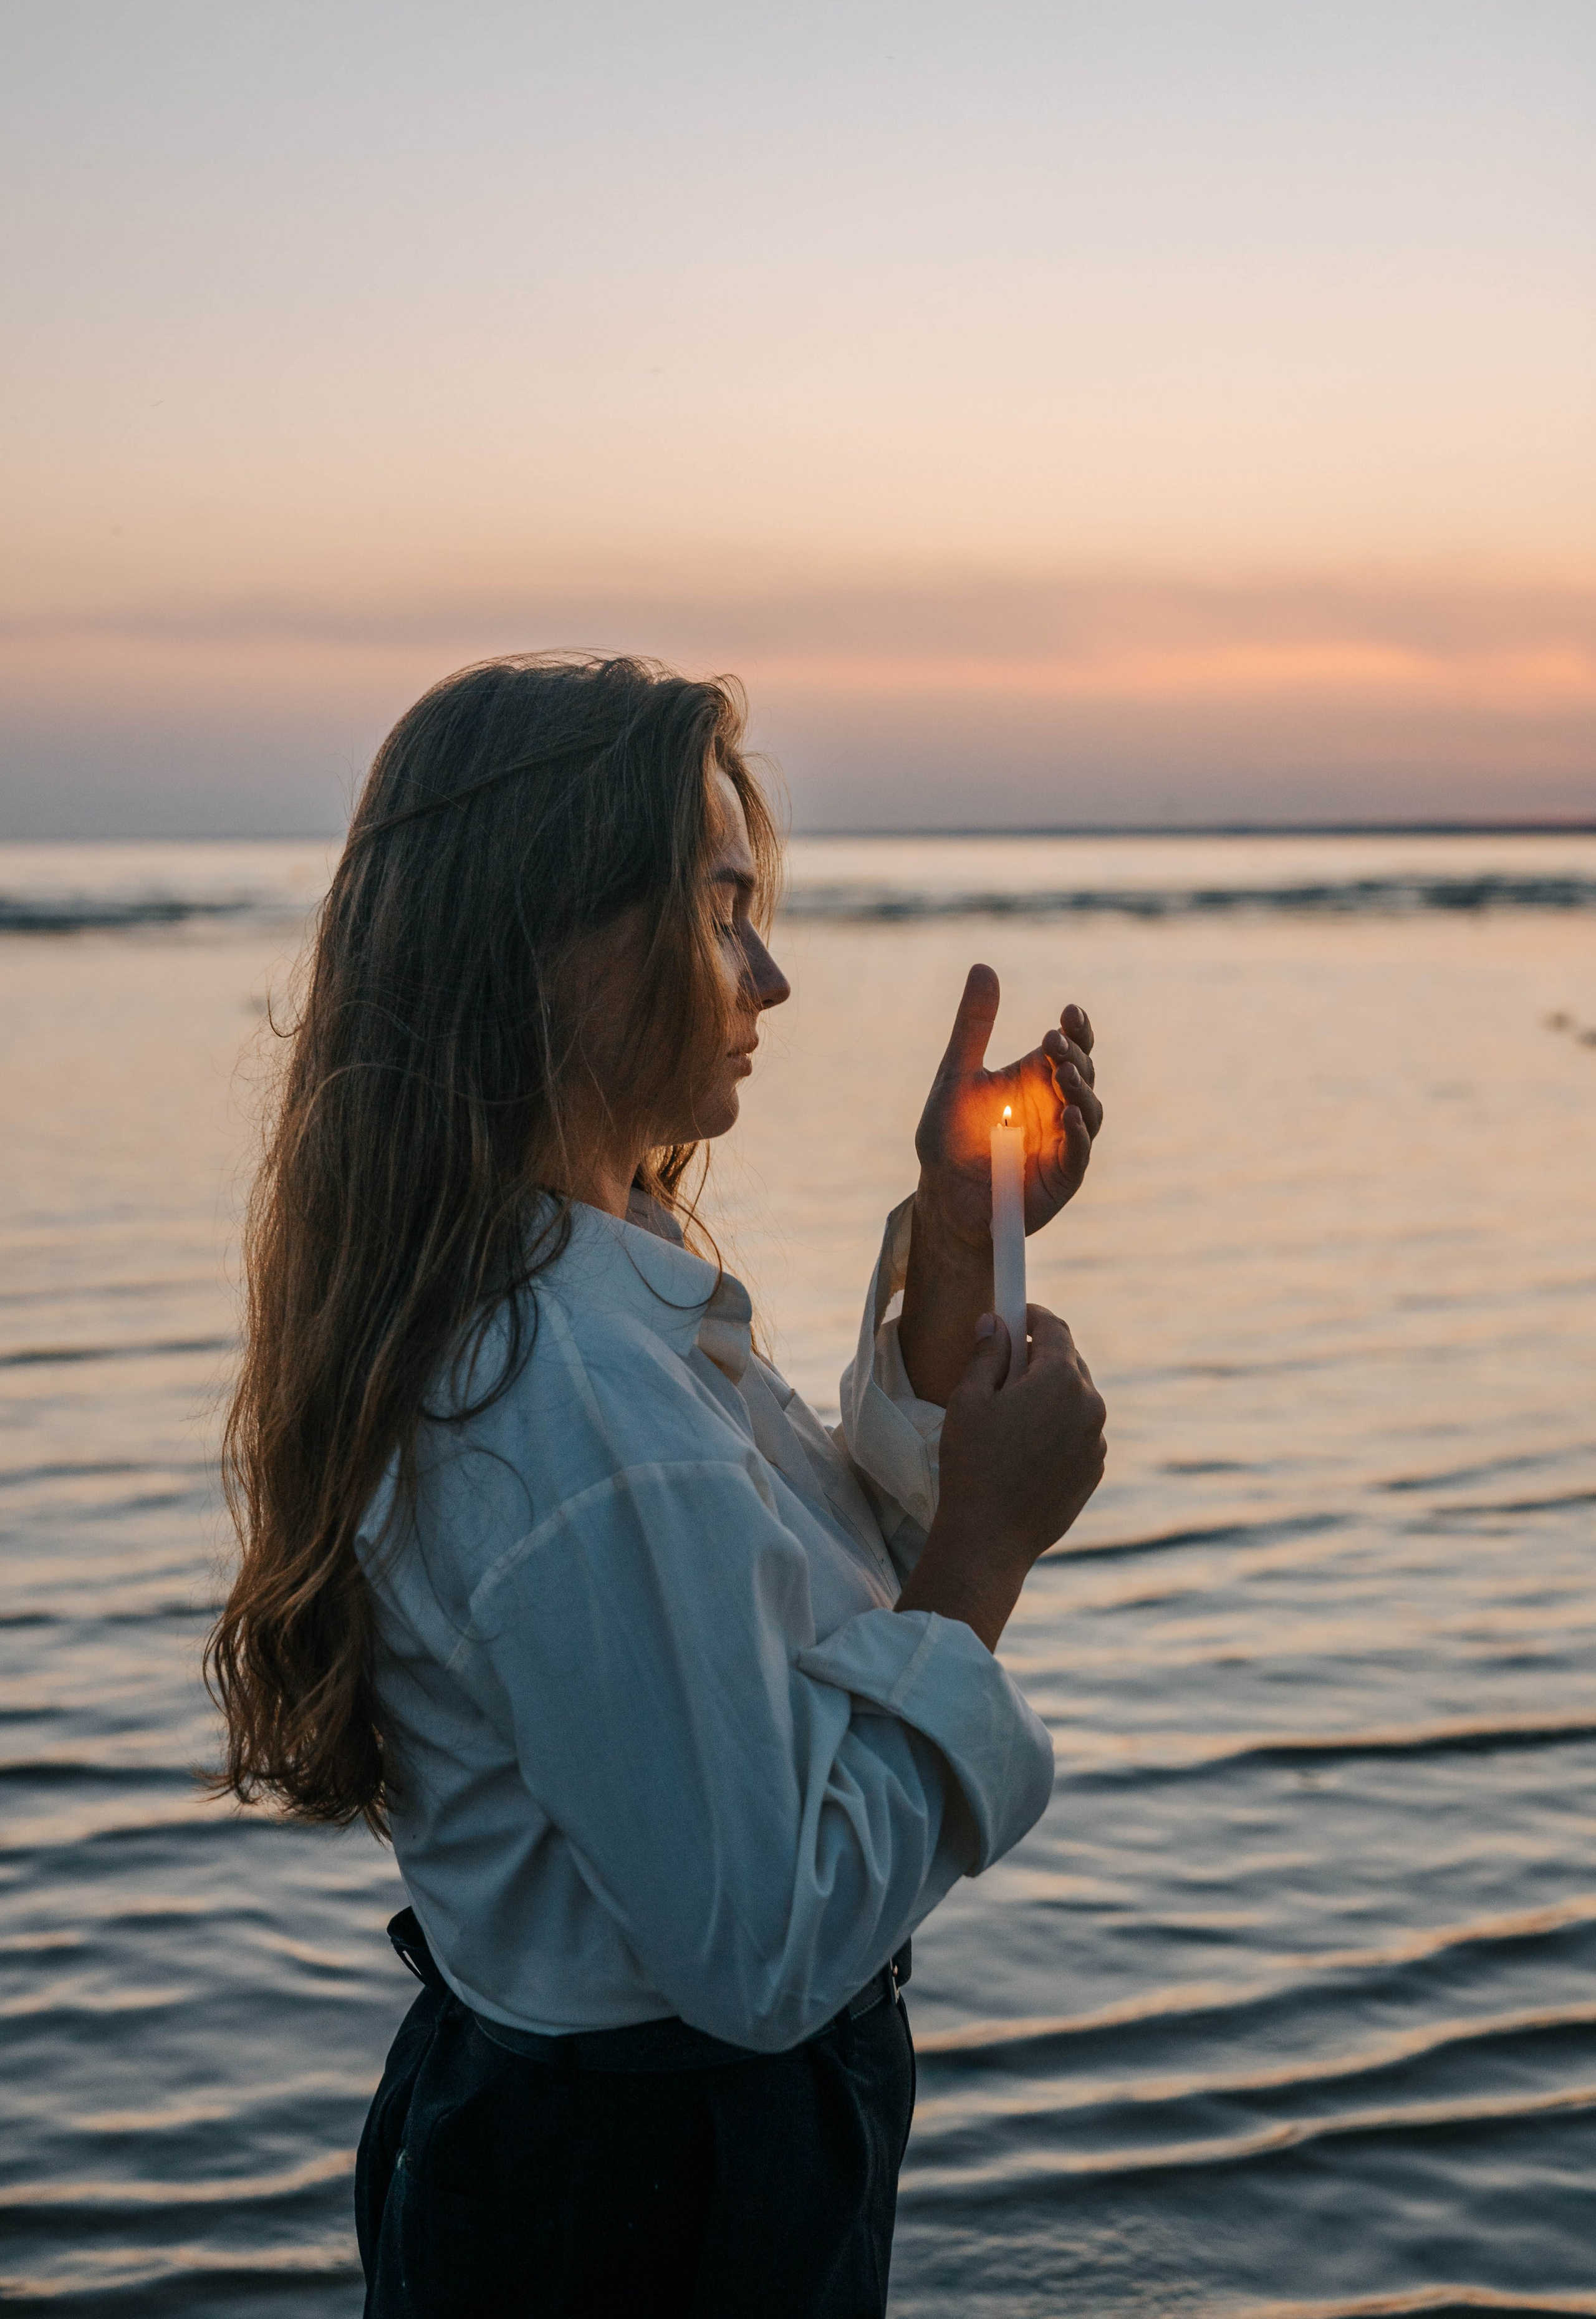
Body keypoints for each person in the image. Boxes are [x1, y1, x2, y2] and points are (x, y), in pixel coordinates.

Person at [206, 653, 1107, 2318]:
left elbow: (807, 1600)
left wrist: (959, 1241)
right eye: (717, 911)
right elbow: (764, 1943)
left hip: (632, 2151)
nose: (767, 975)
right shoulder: (561, 1401)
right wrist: (986, 1554)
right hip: (638, 2201)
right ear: (549, 950)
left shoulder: (597, 1291)